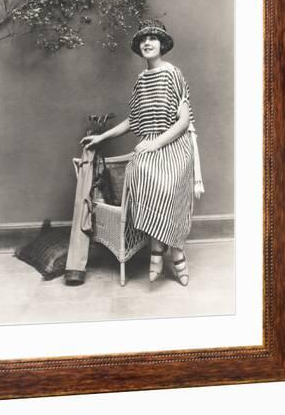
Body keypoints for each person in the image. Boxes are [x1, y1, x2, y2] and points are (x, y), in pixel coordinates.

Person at [81, 19, 204, 286]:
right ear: (140, 47)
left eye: (153, 38)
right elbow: (133, 121)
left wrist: (157, 143)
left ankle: (173, 250)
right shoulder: (141, 80)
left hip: (174, 143)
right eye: (143, 39)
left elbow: (183, 121)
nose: (147, 42)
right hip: (149, 146)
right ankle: (159, 246)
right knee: (139, 172)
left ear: (162, 45)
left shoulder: (173, 73)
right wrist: (101, 136)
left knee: (169, 185)